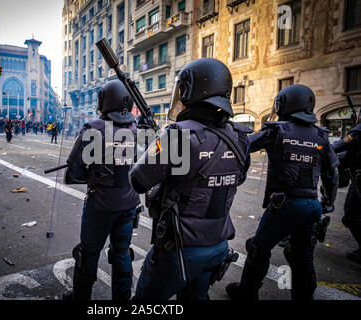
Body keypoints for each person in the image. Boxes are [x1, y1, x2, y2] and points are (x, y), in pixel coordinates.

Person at [129, 58, 252, 300]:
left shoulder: (177, 135)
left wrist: (149, 143)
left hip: (179, 250)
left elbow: (138, 180)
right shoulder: (240, 137)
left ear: (189, 90)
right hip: (218, 245)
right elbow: (238, 178)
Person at [226, 84, 339, 300]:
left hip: (283, 206)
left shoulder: (277, 130)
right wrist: (328, 202)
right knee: (303, 257)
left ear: (284, 104)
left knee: (259, 248)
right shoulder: (320, 135)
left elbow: (244, 145)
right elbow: (332, 174)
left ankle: (246, 293)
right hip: (311, 205)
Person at [63, 80, 141, 301]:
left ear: (104, 101)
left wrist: (94, 176)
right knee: (122, 253)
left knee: (89, 254)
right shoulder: (138, 130)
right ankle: (123, 299)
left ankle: (81, 297)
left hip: (100, 206)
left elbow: (75, 170)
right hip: (129, 204)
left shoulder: (93, 129)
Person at [332, 120, 361, 264]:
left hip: (360, 179)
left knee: (351, 215)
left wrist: (324, 149)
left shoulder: (358, 131)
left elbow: (343, 143)